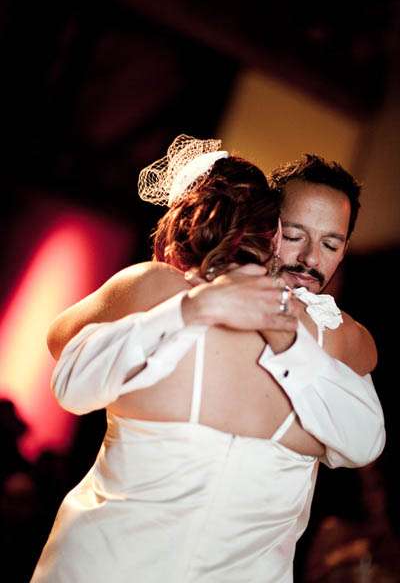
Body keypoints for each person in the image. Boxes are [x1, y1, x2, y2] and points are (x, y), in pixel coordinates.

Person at [32, 136, 384, 582]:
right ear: (267, 226)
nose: (310, 259)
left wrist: (286, 337)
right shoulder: (165, 290)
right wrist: (192, 306)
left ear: (345, 249)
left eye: (331, 245)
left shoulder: (335, 337)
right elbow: (62, 346)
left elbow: (367, 438)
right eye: (295, 235)